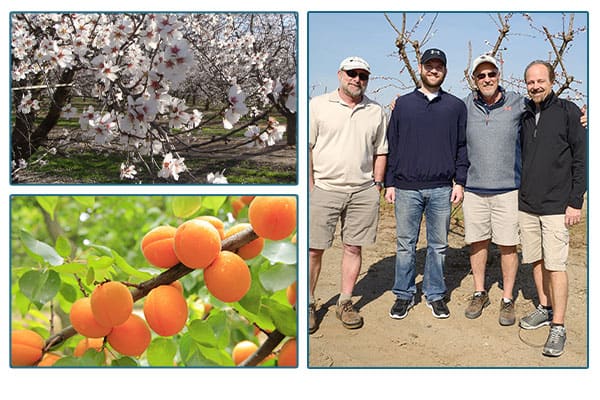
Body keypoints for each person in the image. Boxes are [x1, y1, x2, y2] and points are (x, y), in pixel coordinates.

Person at [384, 48, 468, 319]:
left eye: (439, 66)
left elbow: (462, 146)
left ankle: (435, 294)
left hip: (442, 187)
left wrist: (460, 182)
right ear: (420, 68)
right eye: (429, 66)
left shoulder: (456, 106)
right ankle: (404, 294)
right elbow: (392, 145)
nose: (434, 70)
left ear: (444, 71)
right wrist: (390, 182)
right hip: (406, 188)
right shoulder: (404, 105)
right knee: (405, 244)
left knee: (438, 245)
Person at [308, 56, 388, 333]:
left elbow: (381, 150)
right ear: (340, 74)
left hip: (363, 191)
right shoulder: (318, 106)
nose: (357, 79)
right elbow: (307, 147)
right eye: (352, 73)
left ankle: (345, 300)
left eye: (363, 75)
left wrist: (377, 184)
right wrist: (309, 186)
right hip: (325, 189)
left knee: (353, 247)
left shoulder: (375, 111)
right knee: (313, 249)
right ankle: (308, 302)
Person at [518, 60, 587, 357]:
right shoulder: (523, 115)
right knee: (536, 260)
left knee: (556, 265)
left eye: (540, 81)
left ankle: (558, 325)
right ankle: (545, 308)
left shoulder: (569, 112)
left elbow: (581, 159)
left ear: (552, 80)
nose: (535, 86)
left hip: (558, 206)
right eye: (530, 82)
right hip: (527, 204)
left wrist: (575, 201)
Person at [462, 54, 524, 326]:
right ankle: (479, 292)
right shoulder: (464, 106)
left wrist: (579, 116)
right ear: (474, 80)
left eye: (491, 74)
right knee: (477, 242)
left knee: (508, 245)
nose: (487, 79)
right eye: (481, 75)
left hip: (508, 189)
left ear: (499, 76)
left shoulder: (518, 103)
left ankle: (508, 298)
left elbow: (550, 106)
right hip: (474, 189)